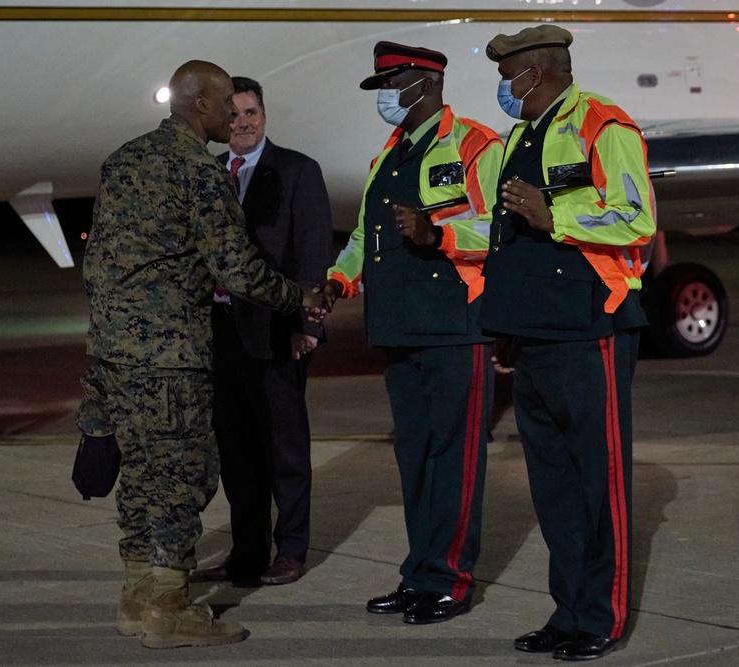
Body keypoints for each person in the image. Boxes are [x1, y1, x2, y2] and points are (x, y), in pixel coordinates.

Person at [77, 59, 326, 650]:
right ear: (203, 107)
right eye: (223, 104)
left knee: (139, 479)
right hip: (169, 355)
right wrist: (298, 296)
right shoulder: (197, 170)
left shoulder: (124, 160)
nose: (229, 115)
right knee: (179, 480)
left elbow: (100, 262)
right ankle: (168, 609)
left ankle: (137, 597)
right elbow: (237, 268)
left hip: (115, 351)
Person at [480, 25, 656, 661]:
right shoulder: (517, 139)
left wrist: (555, 215)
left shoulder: (603, 126)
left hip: (591, 329)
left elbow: (637, 218)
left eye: (509, 76)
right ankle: (568, 610)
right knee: (552, 484)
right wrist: (503, 322)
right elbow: (504, 242)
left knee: (597, 481)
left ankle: (602, 618)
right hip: (533, 336)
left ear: (540, 72)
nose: (503, 87)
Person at [322, 41, 503, 624]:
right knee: (417, 459)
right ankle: (420, 573)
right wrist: (337, 281)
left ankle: (450, 579)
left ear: (423, 83)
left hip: (456, 327)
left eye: (389, 86)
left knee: (455, 458)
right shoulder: (389, 156)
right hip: (400, 330)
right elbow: (363, 237)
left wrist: (438, 236)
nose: (384, 99)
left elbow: (500, 232)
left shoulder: (476, 146)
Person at [191, 76, 333, 587]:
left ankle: (291, 549)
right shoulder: (208, 173)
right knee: (237, 450)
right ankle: (246, 553)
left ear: (264, 115)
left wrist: (308, 326)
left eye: (250, 113)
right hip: (220, 332)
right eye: (233, 116)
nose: (242, 123)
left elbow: (313, 253)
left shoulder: (297, 170)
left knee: (286, 448)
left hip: (277, 330)